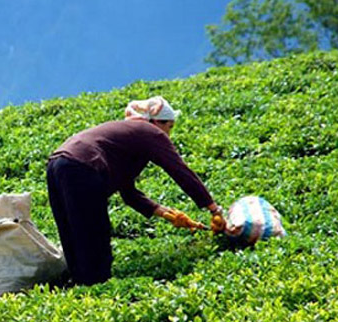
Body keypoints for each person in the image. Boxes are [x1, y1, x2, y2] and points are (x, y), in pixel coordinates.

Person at [47, 96, 226, 286]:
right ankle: (95, 287)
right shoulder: (150, 132)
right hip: (82, 167)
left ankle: (80, 284)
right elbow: (180, 171)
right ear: (156, 122)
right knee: (94, 234)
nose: (168, 134)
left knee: (72, 230)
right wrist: (213, 208)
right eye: (169, 127)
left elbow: (129, 193)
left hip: (56, 165)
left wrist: (169, 214)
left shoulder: (129, 135)